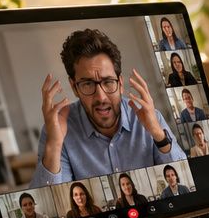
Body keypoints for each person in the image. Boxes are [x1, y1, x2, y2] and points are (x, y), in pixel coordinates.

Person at [32, 28, 186, 188]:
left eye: (108, 82)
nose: (101, 97)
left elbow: (185, 181)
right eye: (87, 84)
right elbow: (51, 204)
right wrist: (55, 145)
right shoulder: (57, 130)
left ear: (120, 83)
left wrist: (159, 136)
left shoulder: (150, 117)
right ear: (74, 87)